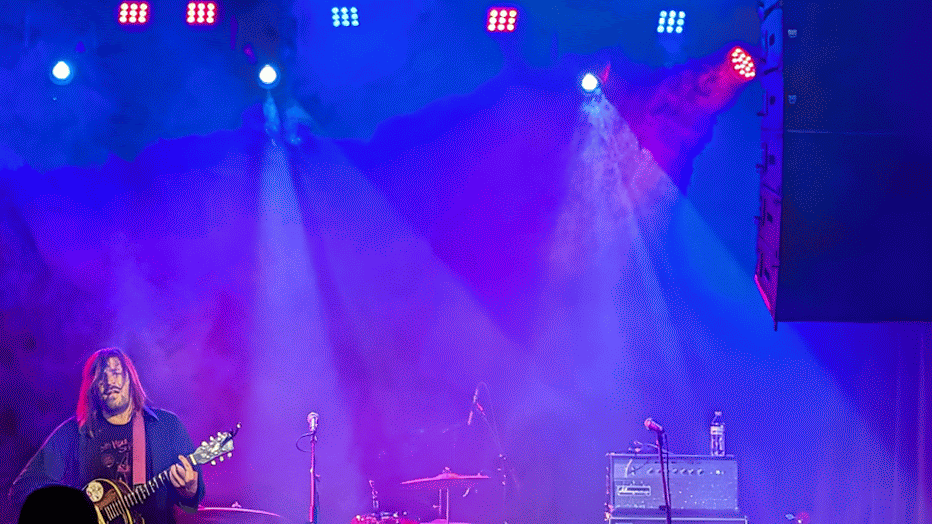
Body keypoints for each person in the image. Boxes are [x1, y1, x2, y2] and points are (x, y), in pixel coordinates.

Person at [9, 347, 206, 523]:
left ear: (131, 379)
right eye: (101, 377)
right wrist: (71, 508)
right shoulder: (73, 433)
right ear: (92, 387)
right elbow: (24, 487)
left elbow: (191, 506)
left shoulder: (167, 426)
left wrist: (189, 489)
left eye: (116, 372)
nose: (110, 381)